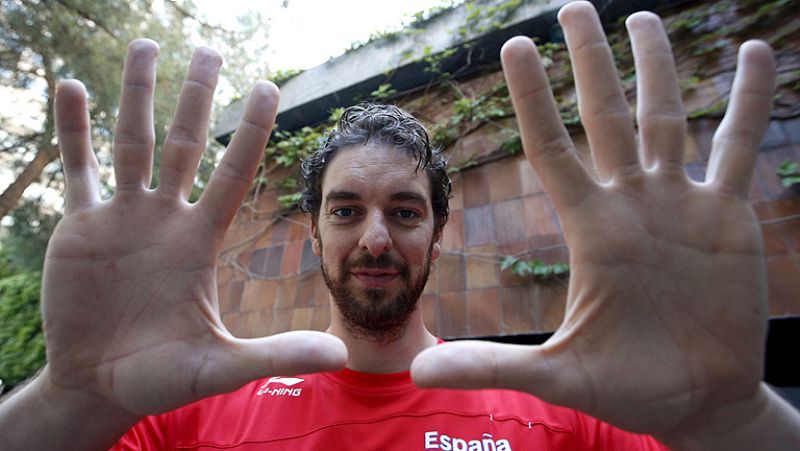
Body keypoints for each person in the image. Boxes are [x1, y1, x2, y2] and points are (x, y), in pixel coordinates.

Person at [0, 2, 798, 449]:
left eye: (405, 212)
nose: (375, 238)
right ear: (313, 233)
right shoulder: (185, 408)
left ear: (438, 234)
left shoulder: (562, 413)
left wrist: (731, 419)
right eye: (346, 210)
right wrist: (72, 397)